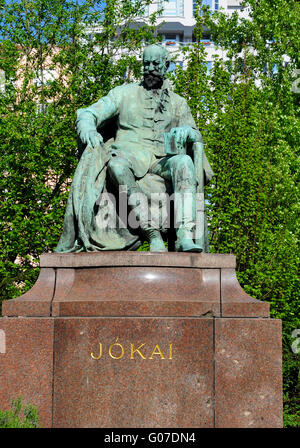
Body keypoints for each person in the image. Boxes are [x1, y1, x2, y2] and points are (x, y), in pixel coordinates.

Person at [55, 44, 213, 253]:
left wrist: (188, 132)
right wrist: (88, 130)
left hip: (161, 160)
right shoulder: (123, 93)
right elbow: (88, 113)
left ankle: (185, 234)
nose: (150, 68)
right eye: (145, 64)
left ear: (166, 65)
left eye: (155, 64)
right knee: (116, 166)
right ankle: (152, 233)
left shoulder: (178, 103)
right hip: (126, 156)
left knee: (184, 162)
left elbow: (195, 134)